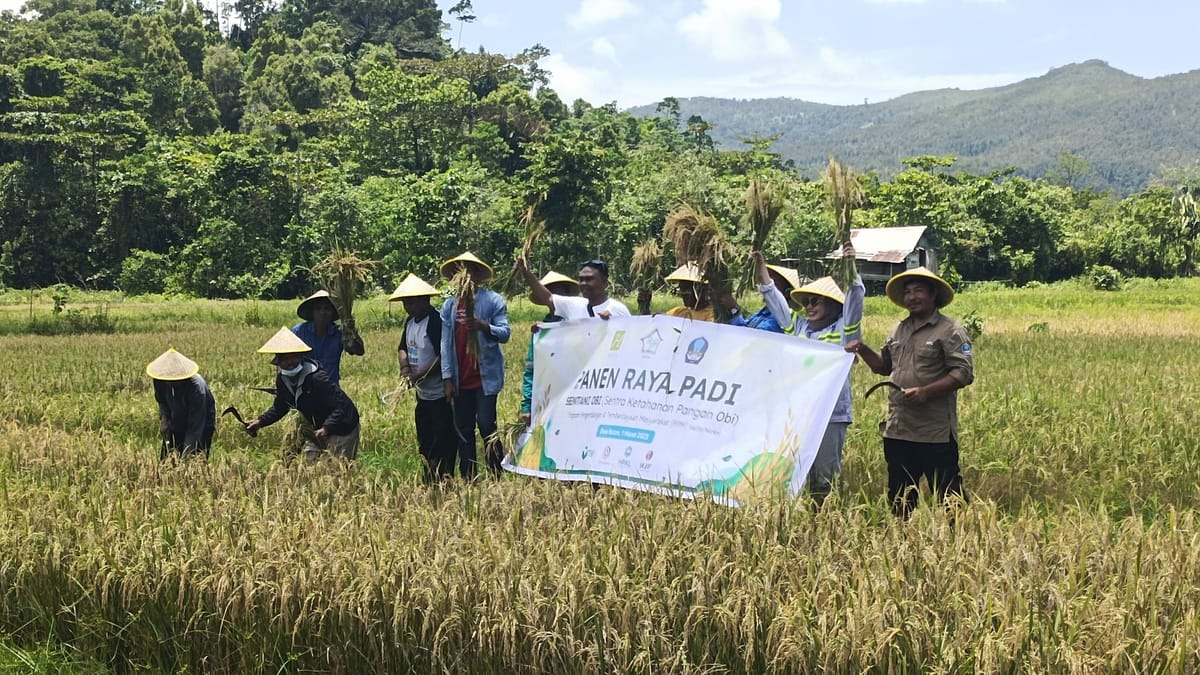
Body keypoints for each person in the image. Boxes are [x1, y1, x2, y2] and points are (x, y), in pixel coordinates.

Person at [847, 266, 974, 519]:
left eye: (918, 291)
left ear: (933, 294)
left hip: (934, 432)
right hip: (899, 429)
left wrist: (926, 392)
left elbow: (963, 373)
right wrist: (861, 348)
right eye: (907, 292)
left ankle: (959, 541)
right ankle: (903, 543)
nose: (912, 297)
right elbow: (883, 367)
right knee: (899, 495)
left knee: (948, 492)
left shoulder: (951, 331)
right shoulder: (898, 330)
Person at [760, 243, 864, 505]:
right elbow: (774, 299)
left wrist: (850, 265)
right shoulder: (799, 327)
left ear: (832, 305)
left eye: (816, 301)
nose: (809, 306)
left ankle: (822, 518)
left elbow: (855, 297)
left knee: (824, 475)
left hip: (831, 414)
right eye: (806, 302)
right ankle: (800, 515)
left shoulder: (844, 330)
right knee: (795, 470)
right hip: (800, 413)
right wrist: (759, 266)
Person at [439, 251, 511, 479]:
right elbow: (445, 343)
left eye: (470, 270)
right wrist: (448, 378)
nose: (466, 276)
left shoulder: (493, 301)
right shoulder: (449, 306)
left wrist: (484, 326)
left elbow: (505, 333)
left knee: (487, 424)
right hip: (461, 379)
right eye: (461, 271)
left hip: (485, 377)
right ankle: (469, 477)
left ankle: (496, 473)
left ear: (478, 275)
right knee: (464, 428)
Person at [245, 327, 361, 462]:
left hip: (343, 427)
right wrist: (260, 421)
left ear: (300, 357)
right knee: (308, 466)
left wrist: (327, 427)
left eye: (293, 357)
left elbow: (340, 406)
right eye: (284, 359)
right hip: (317, 427)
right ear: (278, 362)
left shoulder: (316, 378)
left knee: (338, 470)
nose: (290, 363)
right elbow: (281, 406)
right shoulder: (282, 380)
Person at [388, 273, 456, 482]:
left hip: (439, 395)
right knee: (425, 441)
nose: (409, 307)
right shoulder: (410, 322)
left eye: (412, 302)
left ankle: (444, 480)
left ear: (425, 300)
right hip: (423, 396)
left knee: (442, 441)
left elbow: (441, 356)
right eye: (405, 303)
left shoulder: (435, 322)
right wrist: (405, 368)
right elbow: (402, 348)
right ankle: (429, 478)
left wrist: (420, 375)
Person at [519, 270, 580, 426]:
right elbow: (531, 370)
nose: (550, 294)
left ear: (566, 293)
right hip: (547, 398)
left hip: (575, 396)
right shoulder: (541, 331)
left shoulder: (579, 321)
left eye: (556, 290)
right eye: (547, 290)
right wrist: (526, 406)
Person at [146, 348, 216, 460]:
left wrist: (186, 458)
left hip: (201, 423)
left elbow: (195, 428)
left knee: (194, 460)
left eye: (175, 380)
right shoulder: (159, 380)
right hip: (176, 418)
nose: (171, 383)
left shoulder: (196, 389)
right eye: (168, 379)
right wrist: (164, 419)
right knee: (167, 459)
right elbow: (162, 401)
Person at [518, 257, 631, 320]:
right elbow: (547, 297)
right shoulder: (574, 305)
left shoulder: (618, 310)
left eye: (589, 279)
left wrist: (613, 323)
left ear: (604, 283)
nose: (584, 283)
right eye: (581, 279)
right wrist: (525, 271)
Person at [291, 290, 365, 386]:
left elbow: (359, 351)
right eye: (318, 309)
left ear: (333, 312)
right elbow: (284, 358)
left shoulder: (339, 333)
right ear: (312, 312)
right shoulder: (299, 332)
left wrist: (352, 332)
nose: (323, 312)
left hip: (330, 387)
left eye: (327, 309)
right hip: (304, 387)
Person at [722, 256, 802, 333]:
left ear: (787, 293)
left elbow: (749, 336)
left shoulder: (779, 320)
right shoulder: (764, 312)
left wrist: (734, 309)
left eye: (775, 284)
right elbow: (747, 325)